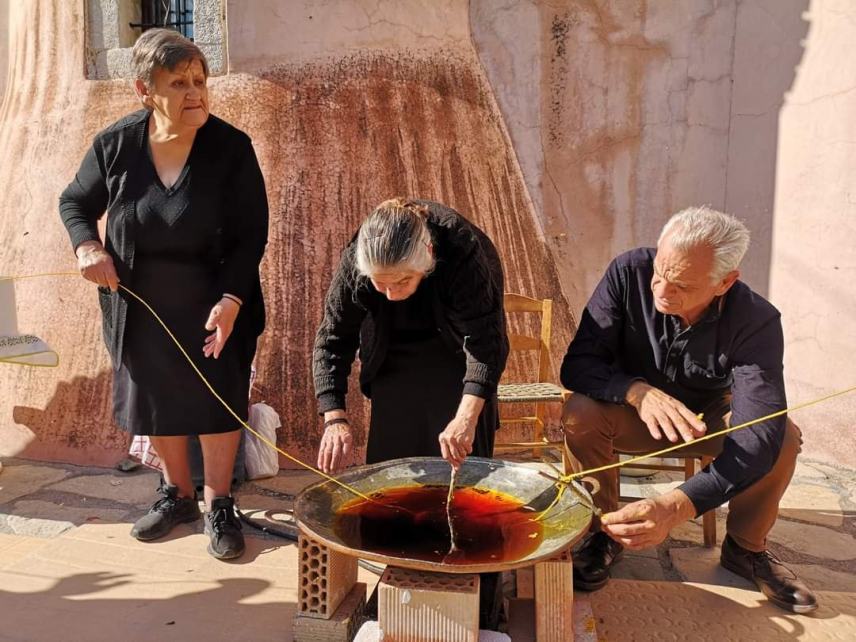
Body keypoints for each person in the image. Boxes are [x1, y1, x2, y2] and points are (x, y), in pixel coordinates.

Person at [59, 29, 268, 560]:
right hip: (139, 305)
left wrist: (232, 301)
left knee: (217, 396)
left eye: (199, 80)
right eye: (178, 83)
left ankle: (219, 502)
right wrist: (87, 248)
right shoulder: (116, 145)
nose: (195, 92)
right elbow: (76, 203)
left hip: (217, 302)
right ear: (144, 90)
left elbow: (251, 236)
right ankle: (176, 494)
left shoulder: (231, 148)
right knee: (157, 399)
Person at [560, 206, 816, 613]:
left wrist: (675, 506)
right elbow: (578, 364)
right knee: (580, 413)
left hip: (705, 421)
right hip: (631, 412)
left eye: (680, 284)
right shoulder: (628, 271)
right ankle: (603, 533)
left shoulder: (757, 320)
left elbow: (757, 433)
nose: (661, 290)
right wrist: (635, 391)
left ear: (724, 282)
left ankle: (746, 549)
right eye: (660, 273)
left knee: (782, 437)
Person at [313, 197, 509, 628]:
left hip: (457, 354)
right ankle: (402, 576)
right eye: (380, 284)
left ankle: (479, 587)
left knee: (463, 475)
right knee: (394, 479)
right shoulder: (358, 263)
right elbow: (333, 340)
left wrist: (466, 414)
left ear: (428, 259)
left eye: (401, 281)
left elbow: (486, 343)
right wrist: (335, 416)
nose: (390, 293)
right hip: (394, 355)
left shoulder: (462, 253)